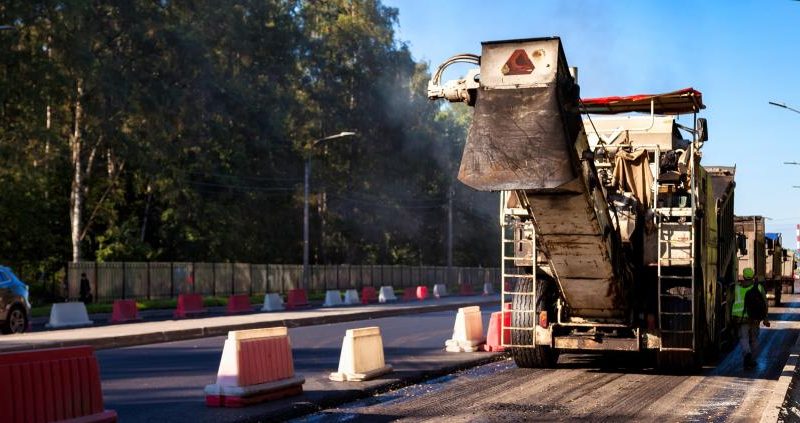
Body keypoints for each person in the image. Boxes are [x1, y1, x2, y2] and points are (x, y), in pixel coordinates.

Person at [731, 267, 770, 370]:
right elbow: (765, 303)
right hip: (755, 318)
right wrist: (765, 317)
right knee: (754, 339)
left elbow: (730, 303)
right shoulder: (759, 288)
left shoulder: (737, 288)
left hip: (741, 318)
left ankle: (747, 354)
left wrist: (730, 318)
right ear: (753, 277)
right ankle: (752, 359)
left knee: (743, 338)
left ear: (743, 276)